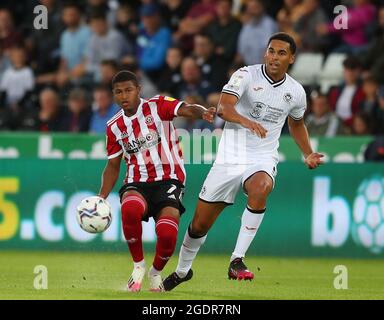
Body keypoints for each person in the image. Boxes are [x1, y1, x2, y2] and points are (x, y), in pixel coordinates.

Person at [163, 32, 324, 291]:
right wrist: (248, 122)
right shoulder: (245, 75)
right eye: (271, 51)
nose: (274, 57)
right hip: (230, 157)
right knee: (199, 225)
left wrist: (307, 152)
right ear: (265, 53)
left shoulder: (295, 92)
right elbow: (225, 108)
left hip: (262, 156)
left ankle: (237, 259)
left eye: (281, 53)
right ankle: (182, 271)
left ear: (291, 58)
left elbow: (296, 124)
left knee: (261, 187)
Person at [96, 70, 215, 292]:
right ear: (113, 95)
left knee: (168, 233)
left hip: (169, 179)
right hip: (137, 181)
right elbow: (113, 166)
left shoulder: (157, 105)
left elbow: (186, 108)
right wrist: (101, 197)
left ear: (138, 90)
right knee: (130, 208)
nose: (124, 96)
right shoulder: (114, 126)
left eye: (129, 90)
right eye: (119, 92)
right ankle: (138, 266)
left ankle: (155, 272)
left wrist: (202, 113)